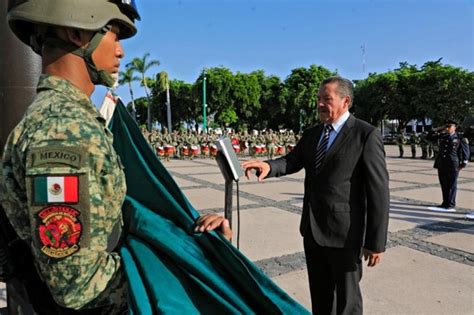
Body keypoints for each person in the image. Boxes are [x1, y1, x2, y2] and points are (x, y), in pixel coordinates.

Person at [0, 1, 230, 313]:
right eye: (114, 33)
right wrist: (176, 276)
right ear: (77, 32)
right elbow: (77, 286)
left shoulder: (71, 120)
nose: (120, 51)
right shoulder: (62, 132)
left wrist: (189, 246)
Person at [242, 76, 390, 315]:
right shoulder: (313, 134)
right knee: (321, 299)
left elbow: (379, 191)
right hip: (312, 230)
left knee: (347, 303)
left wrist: (375, 242)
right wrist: (269, 166)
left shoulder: (365, 135)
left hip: (346, 235)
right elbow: (292, 160)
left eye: (327, 99)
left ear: (346, 101)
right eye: (319, 99)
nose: (320, 104)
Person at [427, 120, 470, 210]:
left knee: (452, 184)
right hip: (442, 163)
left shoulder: (460, 137)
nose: (447, 128)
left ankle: (451, 203)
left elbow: (465, 151)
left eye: (449, 127)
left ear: (455, 128)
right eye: (446, 127)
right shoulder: (443, 136)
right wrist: (439, 128)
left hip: (453, 164)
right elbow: (429, 137)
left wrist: (464, 163)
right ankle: (445, 202)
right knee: (444, 184)